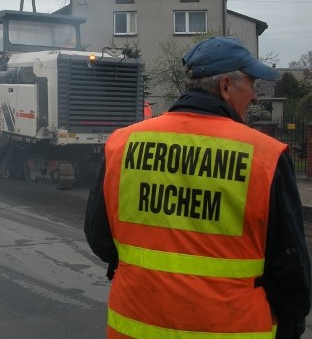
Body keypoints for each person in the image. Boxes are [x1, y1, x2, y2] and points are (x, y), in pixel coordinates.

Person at [85, 36, 311, 338]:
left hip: (136, 324)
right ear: (226, 86)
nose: (255, 96)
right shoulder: (264, 156)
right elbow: (290, 270)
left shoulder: (124, 144)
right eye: (252, 83)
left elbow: (99, 237)